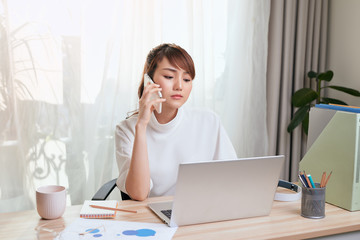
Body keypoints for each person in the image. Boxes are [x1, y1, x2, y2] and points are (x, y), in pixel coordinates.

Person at [115, 43, 236, 201]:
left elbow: (232, 178)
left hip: (202, 212)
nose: (179, 86)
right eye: (169, 77)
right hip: (154, 218)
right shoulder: (127, 129)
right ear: (149, 81)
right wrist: (142, 125)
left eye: (186, 79)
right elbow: (138, 193)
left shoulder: (209, 121)